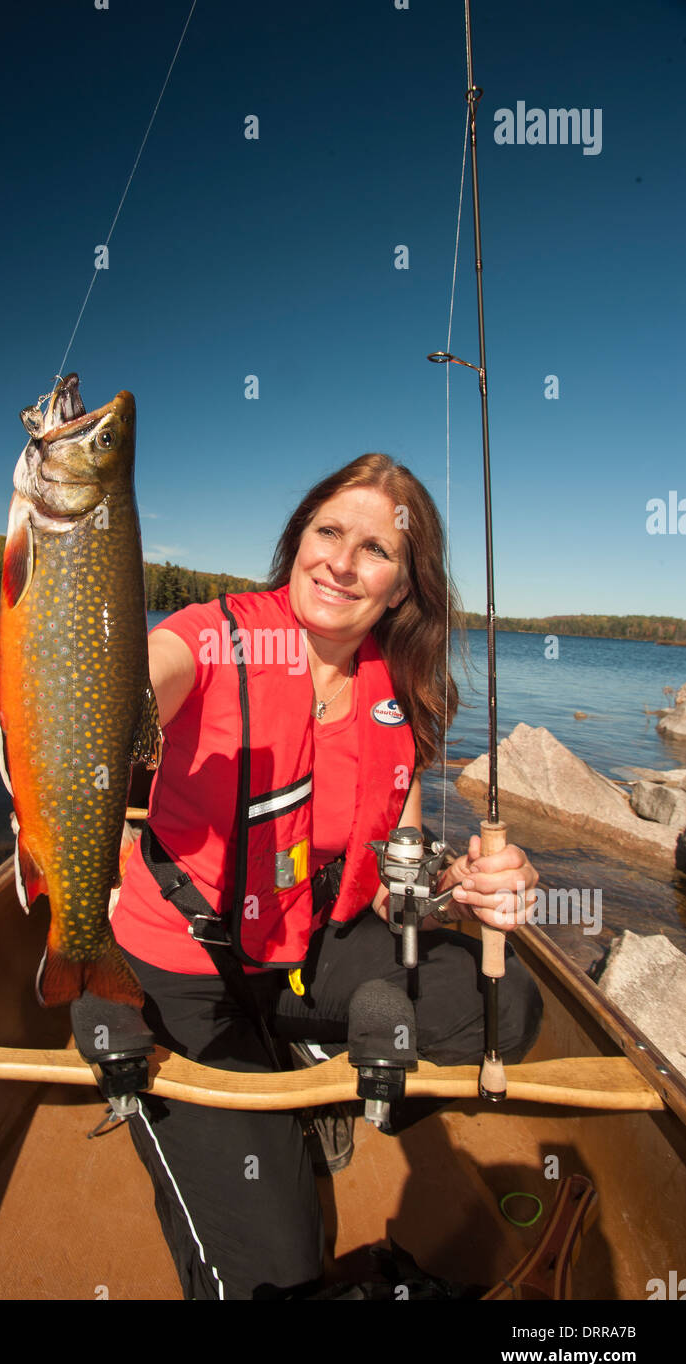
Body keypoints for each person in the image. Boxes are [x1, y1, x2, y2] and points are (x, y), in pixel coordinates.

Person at [109, 453, 541, 1300]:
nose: (342, 561)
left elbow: (395, 877)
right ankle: (254, 1076)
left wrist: (475, 883)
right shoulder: (208, 634)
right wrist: (96, 695)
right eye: (328, 532)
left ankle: (304, 1057)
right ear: (297, 541)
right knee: (280, 1274)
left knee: (503, 1004)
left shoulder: (400, 690)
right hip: (176, 978)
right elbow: (139, 687)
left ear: (402, 587)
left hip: (303, 953)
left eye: (375, 550)